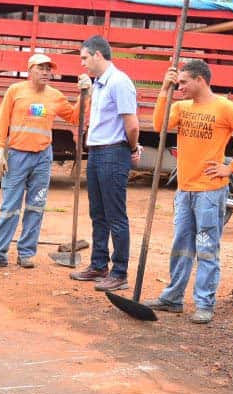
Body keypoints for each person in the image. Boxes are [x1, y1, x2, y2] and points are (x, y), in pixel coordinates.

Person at [143, 59, 233, 324]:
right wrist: (164, 90)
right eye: (178, 83)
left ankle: (204, 303)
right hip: (184, 189)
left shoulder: (225, 107)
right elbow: (159, 126)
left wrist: (231, 168)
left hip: (210, 192)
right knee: (181, 245)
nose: (180, 87)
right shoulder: (181, 107)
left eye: (184, 82)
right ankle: (172, 298)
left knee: (206, 247)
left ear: (200, 80)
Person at [0, 54, 90, 270]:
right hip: (17, 156)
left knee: (35, 206)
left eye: (48, 69)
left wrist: (85, 96)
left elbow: (75, 117)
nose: (46, 72)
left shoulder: (55, 96)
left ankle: (26, 254)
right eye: (41, 68)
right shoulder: (15, 91)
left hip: (42, 157)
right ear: (30, 70)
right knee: (9, 207)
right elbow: (2, 119)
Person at [72, 36, 141, 293]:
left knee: (115, 215)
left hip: (113, 152)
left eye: (85, 58)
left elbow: (132, 125)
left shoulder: (119, 82)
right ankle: (99, 265)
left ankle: (119, 272)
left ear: (98, 55)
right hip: (98, 151)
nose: (83, 63)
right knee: (98, 213)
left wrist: (131, 149)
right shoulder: (99, 84)